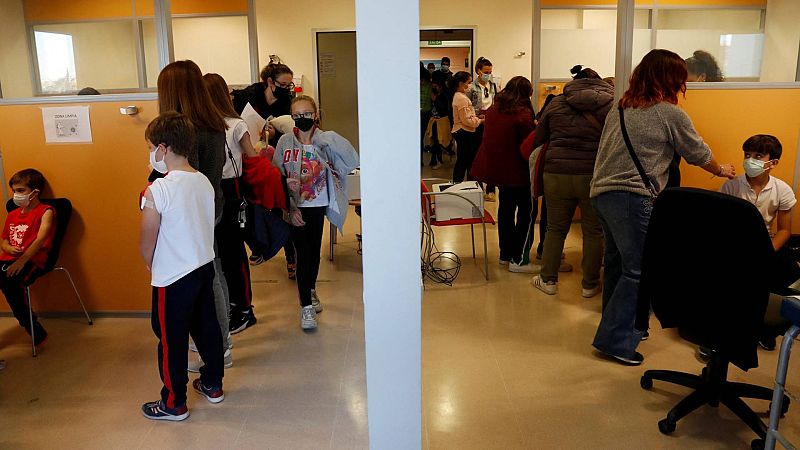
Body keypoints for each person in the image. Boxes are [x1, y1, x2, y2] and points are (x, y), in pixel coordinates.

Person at [589, 49, 736, 366]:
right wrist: (720, 169)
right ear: (671, 80)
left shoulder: (621, 108)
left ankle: (618, 325)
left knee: (617, 263)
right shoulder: (669, 113)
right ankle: (616, 341)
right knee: (638, 270)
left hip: (602, 194)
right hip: (630, 197)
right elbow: (697, 152)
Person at [140, 111, 225, 421]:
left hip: (173, 277)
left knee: (170, 339)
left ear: (163, 149)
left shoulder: (159, 189)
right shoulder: (203, 182)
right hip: (203, 266)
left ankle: (173, 402)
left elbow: (147, 235)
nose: (151, 154)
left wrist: (151, 263)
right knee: (207, 328)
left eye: (151, 148)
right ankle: (213, 384)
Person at [155, 61, 237, 350]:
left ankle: (216, 346)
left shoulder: (185, 131)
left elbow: (184, 177)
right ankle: (221, 341)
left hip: (192, 214)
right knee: (214, 271)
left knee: (205, 279)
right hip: (212, 207)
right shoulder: (213, 124)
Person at [272, 95, 359, 330]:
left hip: (318, 205)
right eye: (297, 115)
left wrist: (330, 139)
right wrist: (290, 206)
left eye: (307, 114)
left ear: (316, 114)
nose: (302, 119)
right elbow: (275, 175)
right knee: (302, 254)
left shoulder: (326, 141)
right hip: (295, 207)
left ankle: (310, 290)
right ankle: (306, 307)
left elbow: (351, 161)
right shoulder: (285, 142)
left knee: (313, 253)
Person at [529, 65, 612, 295]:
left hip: (557, 173)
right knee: (593, 231)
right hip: (593, 174)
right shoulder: (612, 105)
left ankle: (548, 280)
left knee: (555, 229)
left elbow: (539, 137)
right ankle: (590, 285)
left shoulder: (556, 103)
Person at [720, 134, 799, 350]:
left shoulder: (782, 189)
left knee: (788, 273)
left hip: (763, 243)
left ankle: (763, 329)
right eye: (747, 155)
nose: (750, 160)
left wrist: (767, 252)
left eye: (757, 156)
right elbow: (722, 224)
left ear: (772, 162)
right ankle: (718, 332)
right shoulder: (732, 186)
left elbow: (784, 230)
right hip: (734, 244)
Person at [202, 73, 258, 343]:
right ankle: (232, 304)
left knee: (233, 253)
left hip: (232, 191)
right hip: (211, 190)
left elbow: (252, 156)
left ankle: (244, 308)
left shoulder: (236, 125)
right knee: (220, 255)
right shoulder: (204, 126)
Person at [232, 62, 298, 280]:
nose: (287, 89)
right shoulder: (249, 96)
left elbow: (289, 129)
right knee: (254, 204)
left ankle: (290, 254)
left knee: (280, 202)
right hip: (250, 157)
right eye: (283, 84)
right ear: (270, 82)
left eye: (290, 85)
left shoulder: (286, 102)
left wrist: (274, 132)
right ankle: (259, 244)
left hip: (275, 156)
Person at [470, 76, 538, 273]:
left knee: (506, 211)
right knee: (526, 213)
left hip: (499, 171)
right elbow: (528, 144)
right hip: (519, 172)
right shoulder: (523, 115)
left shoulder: (494, 109)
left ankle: (505, 254)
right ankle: (518, 259)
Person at [0, 169, 54, 348]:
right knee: (6, 281)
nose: (16, 195)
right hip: (7, 259)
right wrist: (8, 248)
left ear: (35, 192)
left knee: (10, 284)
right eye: (14, 191)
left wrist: (22, 260)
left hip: (31, 259)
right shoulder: (12, 214)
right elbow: (4, 240)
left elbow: (41, 239)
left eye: (21, 190)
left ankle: (32, 326)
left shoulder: (45, 211)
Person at [467, 57, 499, 202]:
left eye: (490, 72)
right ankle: (477, 188)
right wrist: (477, 114)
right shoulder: (471, 87)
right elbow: (468, 106)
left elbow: (496, 102)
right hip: (477, 123)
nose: (488, 74)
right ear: (478, 71)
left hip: (490, 123)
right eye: (486, 72)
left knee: (491, 156)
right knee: (476, 156)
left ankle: (491, 189)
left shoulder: (493, 86)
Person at [450, 71, 483, 183]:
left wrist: (476, 117)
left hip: (463, 131)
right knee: (465, 161)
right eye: (468, 82)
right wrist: (480, 121)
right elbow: (467, 120)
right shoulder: (461, 98)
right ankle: (463, 185)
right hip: (464, 132)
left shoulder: (460, 96)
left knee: (464, 161)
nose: (470, 85)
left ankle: (461, 184)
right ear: (461, 83)